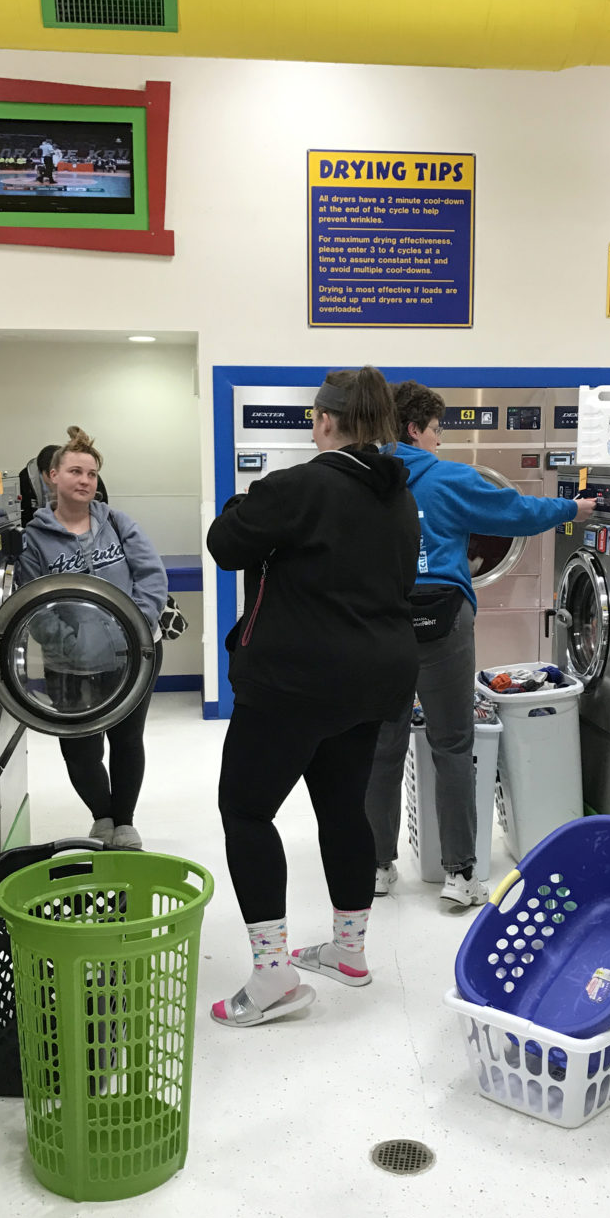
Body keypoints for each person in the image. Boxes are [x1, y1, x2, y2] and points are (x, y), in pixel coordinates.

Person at [206, 367, 420, 1029]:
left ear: (323, 420)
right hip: (374, 678)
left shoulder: (298, 486)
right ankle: (348, 951)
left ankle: (273, 975)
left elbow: (224, 544)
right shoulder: (398, 494)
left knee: (245, 811)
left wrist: (250, 504)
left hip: (295, 681)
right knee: (341, 805)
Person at [364, 382, 597, 910]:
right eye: (438, 430)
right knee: (452, 744)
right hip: (443, 620)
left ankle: (377, 865)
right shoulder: (449, 477)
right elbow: (514, 511)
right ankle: (459, 875)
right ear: (414, 428)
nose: (440, 441)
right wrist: (571, 510)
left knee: (383, 745)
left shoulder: (365, 479)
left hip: (383, 624)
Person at [15, 426, 167, 850]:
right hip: (70, 665)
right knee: (79, 751)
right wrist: (71, 646)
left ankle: (125, 824)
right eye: (76, 471)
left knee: (126, 741)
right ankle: (103, 813)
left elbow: (150, 577)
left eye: (92, 474)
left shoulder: (118, 523)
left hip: (133, 656)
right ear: (53, 476)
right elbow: (32, 603)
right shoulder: (35, 539)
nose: (85, 481)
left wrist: (133, 630)